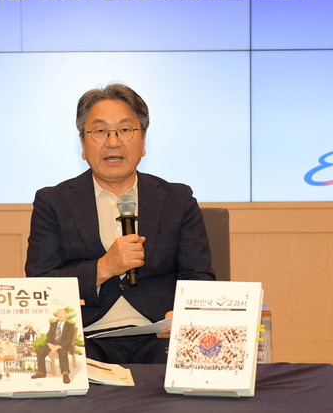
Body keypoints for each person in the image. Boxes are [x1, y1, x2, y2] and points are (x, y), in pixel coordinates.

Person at [25, 83, 215, 364]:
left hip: (160, 336)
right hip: (87, 336)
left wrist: (184, 316)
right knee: (68, 372)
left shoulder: (177, 199)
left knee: (179, 376)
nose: (113, 142)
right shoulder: (53, 202)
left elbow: (199, 277)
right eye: (100, 131)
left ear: (143, 140)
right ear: (83, 144)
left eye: (125, 130)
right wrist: (104, 268)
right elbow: (40, 284)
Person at [32, 308, 76, 384]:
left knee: (63, 353)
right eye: (59, 314)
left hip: (63, 345)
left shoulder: (70, 326)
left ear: (66, 315)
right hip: (52, 344)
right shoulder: (53, 325)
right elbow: (48, 335)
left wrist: (57, 346)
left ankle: (65, 374)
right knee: (40, 351)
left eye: (63, 314)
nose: (61, 315)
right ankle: (41, 372)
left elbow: (69, 340)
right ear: (57, 316)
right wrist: (50, 344)